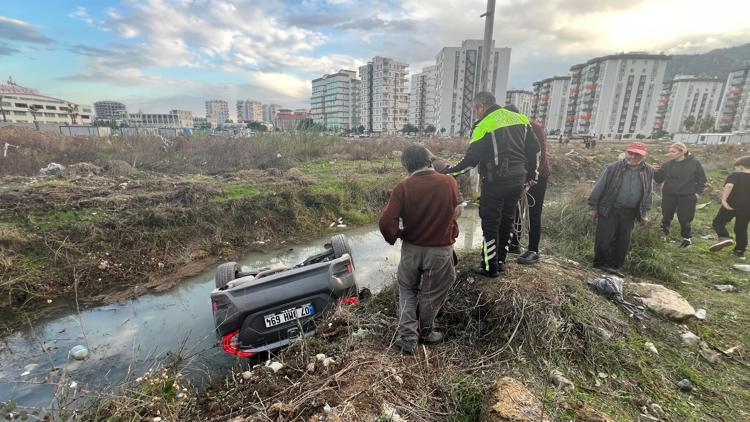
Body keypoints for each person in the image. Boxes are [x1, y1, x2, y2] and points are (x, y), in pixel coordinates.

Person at [441, 92, 540, 277]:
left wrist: (446, 172)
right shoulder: (520, 119)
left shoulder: (483, 125)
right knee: (508, 219)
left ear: (481, 106)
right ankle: (501, 262)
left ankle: (489, 266)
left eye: (475, 110)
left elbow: (471, 161)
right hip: (518, 180)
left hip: (495, 182)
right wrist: (533, 174)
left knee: (490, 223)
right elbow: (535, 150)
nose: (475, 114)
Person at [379, 144, 462, 354]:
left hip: (411, 249)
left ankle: (407, 337)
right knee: (431, 293)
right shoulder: (449, 182)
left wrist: (396, 235)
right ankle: (425, 332)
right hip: (440, 250)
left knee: (407, 289)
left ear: (406, 166)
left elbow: (386, 221)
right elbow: (457, 210)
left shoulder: (403, 187)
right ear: (430, 161)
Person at [588, 142, 654, 275]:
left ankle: (614, 266)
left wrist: (644, 213)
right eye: (631, 153)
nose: (633, 157)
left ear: (644, 156)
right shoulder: (612, 168)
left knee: (623, 240)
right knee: (604, 237)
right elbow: (598, 188)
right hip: (610, 208)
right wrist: (594, 207)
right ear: (626, 152)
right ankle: (600, 264)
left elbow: (648, 192)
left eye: (638, 155)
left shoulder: (649, 170)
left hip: (630, 211)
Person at [505, 104, 550, 265]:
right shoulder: (508, 131)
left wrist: (532, 179)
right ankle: (514, 243)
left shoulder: (534, 128)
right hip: (519, 176)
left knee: (533, 213)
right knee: (516, 210)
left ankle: (533, 250)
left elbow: (541, 156)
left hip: (538, 175)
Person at [653, 142, 707, 247]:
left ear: (682, 151)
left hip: (687, 195)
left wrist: (697, 193)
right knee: (666, 215)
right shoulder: (667, 164)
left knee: (685, 218)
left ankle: (686, 239)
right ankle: (662, 235)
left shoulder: (694, 163)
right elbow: (659, 179)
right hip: (669, 194)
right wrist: (655, 171)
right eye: (669, 152)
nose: (670, 154)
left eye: (673, 151)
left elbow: (702, 179)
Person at [709, 155, 750, 258]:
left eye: (736, 167)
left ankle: (724, 237)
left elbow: (729, 185)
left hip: (731, 204)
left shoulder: (735, 175)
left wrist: (724, 200)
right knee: (741, 228)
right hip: (747, 208)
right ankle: (739, 251)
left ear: (741, 167)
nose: (735, 169)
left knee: (718, 222)